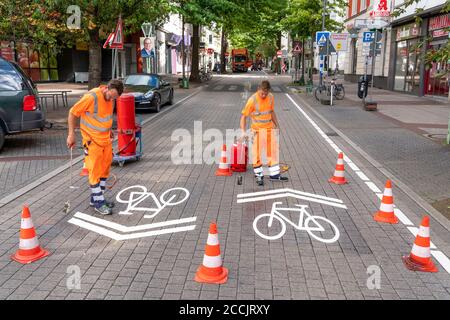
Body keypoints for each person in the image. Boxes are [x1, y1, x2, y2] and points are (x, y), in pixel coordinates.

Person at [66, 80, 124, 215]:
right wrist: (71, 134)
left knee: (104, 170)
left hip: (105, 141)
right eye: (111, 96)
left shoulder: (112, 98)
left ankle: (97, 198)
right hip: (92, 141)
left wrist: (109, 130)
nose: (112, 99)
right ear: (107, 88)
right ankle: (98, 203)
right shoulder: (91, 97)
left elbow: (106, 117)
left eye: (115, 98)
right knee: (95, 171)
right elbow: (72, 113)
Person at [240, 80, 288, 186]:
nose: (263, 95)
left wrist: (277, 125)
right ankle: (259, 176)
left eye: (265, 93)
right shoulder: (252, 100)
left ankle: (275, 175)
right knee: (257, 155)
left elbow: (271, 112)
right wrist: (243, 132)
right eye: (262, 93)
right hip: (257, 132)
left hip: (269, 130)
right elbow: (243, 116)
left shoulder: (270, 97)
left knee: (273, 153)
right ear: (258, 89)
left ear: (268, 91)